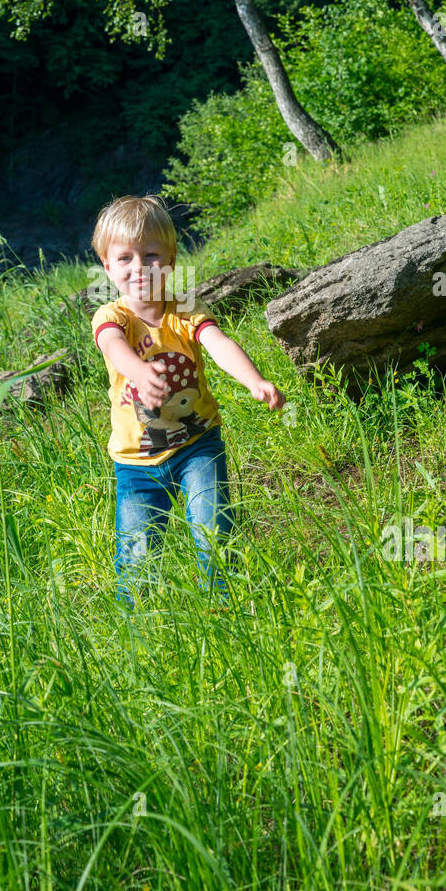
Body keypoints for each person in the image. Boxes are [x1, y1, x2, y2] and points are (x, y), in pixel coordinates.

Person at [90, 194, 285, 608]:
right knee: (138, 557)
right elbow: (112, 347)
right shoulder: (113, 316)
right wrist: (139, 372)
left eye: (151, 255)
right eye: (125, 258)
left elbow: (218, 343)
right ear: (107, 266)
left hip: (197, 445)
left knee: (213, 528)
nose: (139, 268)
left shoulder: (185, 308)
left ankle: (223, 606)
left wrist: (254, 380)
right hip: (135, 462)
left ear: (172, 259)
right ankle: (138, 628)